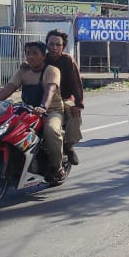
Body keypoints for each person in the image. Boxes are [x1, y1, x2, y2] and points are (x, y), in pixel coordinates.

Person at [0, 41, 65, 182]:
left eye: (35, 53)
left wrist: (43, 106)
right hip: (27, 110)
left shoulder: (51, 70)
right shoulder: (23, 71)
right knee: (6, 128)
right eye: (27, 53)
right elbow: (8, 88)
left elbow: (50, 90)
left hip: (51, 110)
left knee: (51, 130)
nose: (30, 57)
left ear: (44, 56)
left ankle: (57, 167)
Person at [44, 29, 83, 165]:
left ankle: (69, 147)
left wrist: (78, 104)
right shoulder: (42, 59)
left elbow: (76, 83)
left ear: (63, 47)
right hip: (44, 100)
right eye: (51, 44)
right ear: (47, 45)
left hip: (65, 98)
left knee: (73, 113)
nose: (54, 48)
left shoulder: (67, 60)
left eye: (57, 45)